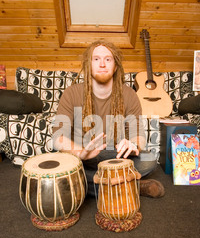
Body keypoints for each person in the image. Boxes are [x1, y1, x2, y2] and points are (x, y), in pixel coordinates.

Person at [52, 40, 165, 198]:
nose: (102, 64)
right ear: (88, 65)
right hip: (81, 158)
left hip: (114, 157)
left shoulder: (129, 95)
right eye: (96, 59)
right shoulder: (71, 93)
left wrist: (133, 144)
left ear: (116, 66)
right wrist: (80, 152)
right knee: (59, 167)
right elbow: (58, 138)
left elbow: (138, 135)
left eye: (108, 59)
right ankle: (130, 186)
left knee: (149, 159)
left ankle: (86, 185)